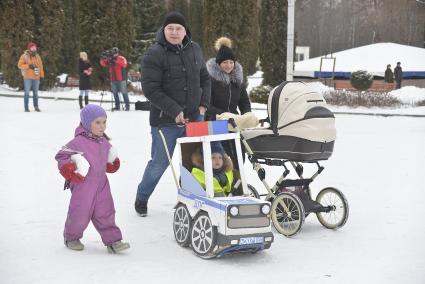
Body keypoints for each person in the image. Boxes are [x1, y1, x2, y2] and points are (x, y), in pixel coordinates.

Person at [135, 11, 211, 216]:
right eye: (171, 28)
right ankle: (142, 197)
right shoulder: (155, 53)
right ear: (164, 30)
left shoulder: (195, 49)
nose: (175, 32)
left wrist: (203, 106)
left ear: (185, 31)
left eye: (179, 28)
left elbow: (205, 79)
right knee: (159, 164)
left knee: (194, 162)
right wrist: (175, 110)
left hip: (195, 118)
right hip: (165, 122)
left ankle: (190, 201)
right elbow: (151, 89)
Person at [55, 104, 130, 253]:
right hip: (83, 185)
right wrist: (69, 169)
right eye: (97, 122)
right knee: (80, 212)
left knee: (106, 211)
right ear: (87, 123)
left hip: (102, 184)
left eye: (104, 122)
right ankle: (71, 237)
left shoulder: (104, 141)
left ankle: (113, 241)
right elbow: (61, 156)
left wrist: (112, 163)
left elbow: (108, 158)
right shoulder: (78, 142)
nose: (102, 126)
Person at [205, 36, 257, 165]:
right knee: (222, 159)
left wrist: (247, 114)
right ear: (218, 64)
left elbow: (244, 102)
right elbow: (207, 104)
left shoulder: (237, 82)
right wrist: (223, 115)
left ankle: (238, 183)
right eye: (224, 62)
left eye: (231, 62)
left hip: (235, 124)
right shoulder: (211, 81)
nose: (228, 65)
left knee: (239, 157)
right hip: (215, 123)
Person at [17, 42, 44, 112]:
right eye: (32, 48)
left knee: (35, 93)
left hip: (36, 77)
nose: (34, 49)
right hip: (27, 78)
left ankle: (36, 106)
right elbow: (19, 65)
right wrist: (28, 66)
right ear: (29, 48)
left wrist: (41, 75)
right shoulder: (24, 56)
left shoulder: (37, 56)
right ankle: (26, 107)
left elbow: (40, 66)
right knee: (27, 93)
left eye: (35, 48)